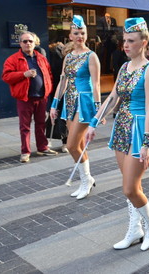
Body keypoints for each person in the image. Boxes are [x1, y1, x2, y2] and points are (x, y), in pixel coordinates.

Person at [86, 17, 149, 251]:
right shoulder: (124, 67)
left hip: (141, 127)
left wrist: (147, 143)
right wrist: (94, 122)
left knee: (129, 188)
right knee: (131, 185)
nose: (126, 45)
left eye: (131, 41)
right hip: (122, 127)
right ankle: (135, 229)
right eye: (124, 40)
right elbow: (113, 97)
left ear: (144, 42)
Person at [50, 15, 101, 200]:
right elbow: (62, 81)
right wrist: (55, 104)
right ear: (70, 35)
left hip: (84, 103)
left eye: (83, 33)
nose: (80, 36)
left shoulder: (91, 56)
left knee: (71, 145)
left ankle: (86, 180)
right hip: (69, 103)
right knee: (78, 145)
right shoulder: (69, 56)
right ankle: (87, 178)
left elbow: (96, 85)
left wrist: (98, 110)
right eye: (76, 33)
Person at [2, 31, 58, 163]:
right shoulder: (13, 59)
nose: (28, 43)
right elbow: (6, 77)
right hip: (25, 98)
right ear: (20, 43)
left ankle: (42, 147)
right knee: (25, 126)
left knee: (41, 124)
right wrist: (23, 74)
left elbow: (49, 74)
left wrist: (48, 89)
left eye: (30, 41)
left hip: (41, 97)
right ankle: (25, 151)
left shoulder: (41, 58)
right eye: (25, 41)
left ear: (35, 43)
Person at [48, 42, 69, 152]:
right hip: (62, 93)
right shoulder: (62, 62)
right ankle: (66, 142)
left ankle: (67, 142)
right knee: (64, 119)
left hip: (59, 93)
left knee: (63, 118)